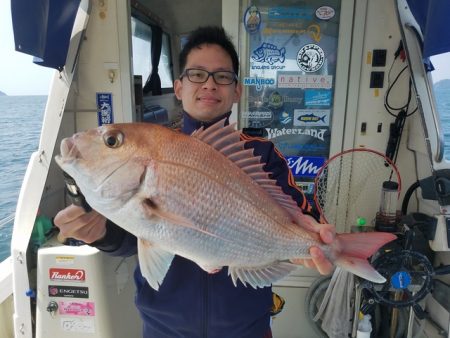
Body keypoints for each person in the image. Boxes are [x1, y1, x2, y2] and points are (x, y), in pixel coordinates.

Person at [54, 26, 335, 338]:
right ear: (178, 87)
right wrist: (101, 234)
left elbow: (300, 216)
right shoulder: (154, 154)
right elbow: (134, 236)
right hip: (164, 330)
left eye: (223, 76)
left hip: (246, 330)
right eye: (197, 74)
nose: (210, 84)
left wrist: (311, 237)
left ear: (237, 90)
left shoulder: (262, 155)